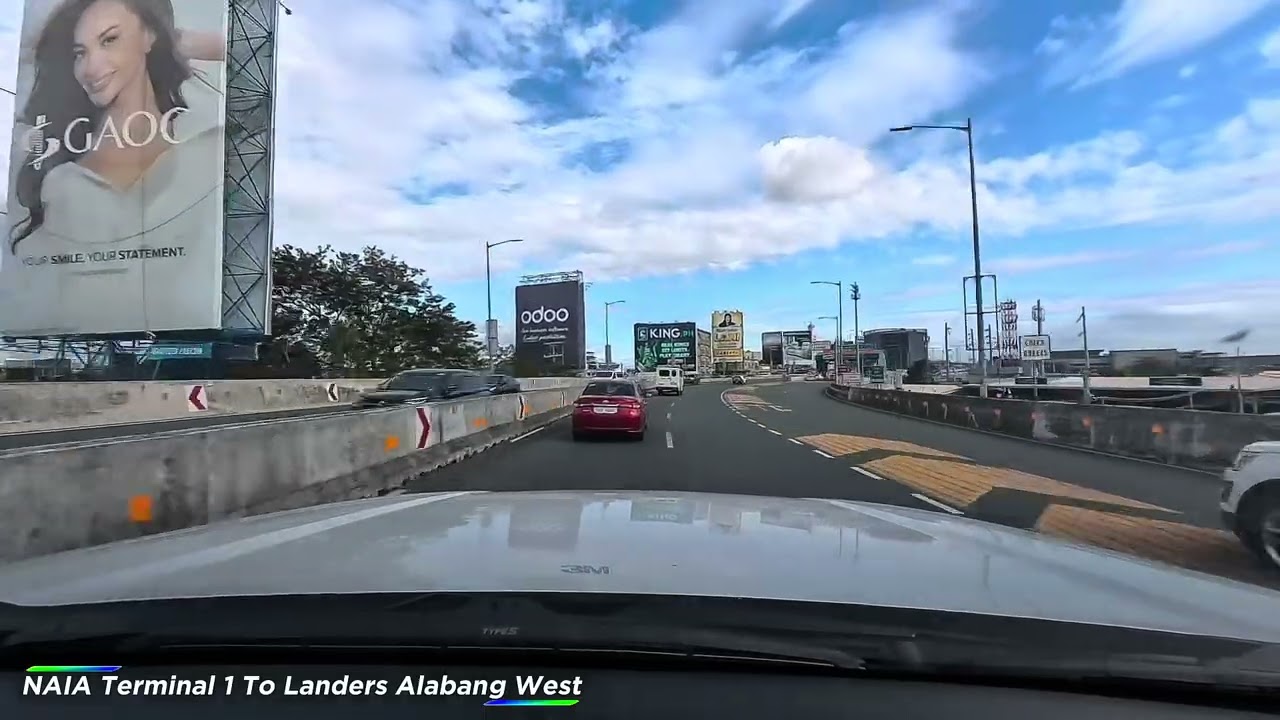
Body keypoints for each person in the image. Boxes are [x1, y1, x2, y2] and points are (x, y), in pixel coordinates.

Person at [4, 0, 228, 335]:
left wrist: (172, 37)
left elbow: (242, 49)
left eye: (109, 40)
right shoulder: (55, 177)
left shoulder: (208, 142)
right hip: (80, 342)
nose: (92, 67)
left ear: (151, 35)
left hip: (190, 331)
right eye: (79, 52)